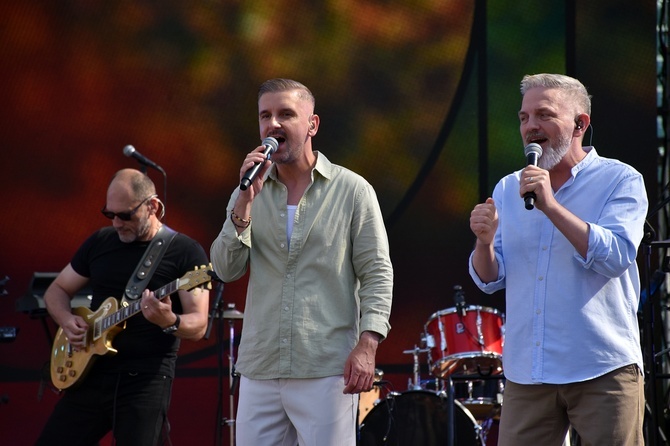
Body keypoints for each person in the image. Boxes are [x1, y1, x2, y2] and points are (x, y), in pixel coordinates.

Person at [210, 78, 393, 445]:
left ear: (312, 125)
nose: (272, 125)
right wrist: (244, 204)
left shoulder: (352, 190)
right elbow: (224, 268)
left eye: (285, 114)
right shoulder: (250, 189)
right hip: (261, 366)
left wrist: (367, 345)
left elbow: (377, 272)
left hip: (325, 366)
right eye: (265, 115)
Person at [468, 73, 648, 445]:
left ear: (580, 124)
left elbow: (615, 256)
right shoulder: (508, 187)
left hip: (601, 367)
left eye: (544, 115)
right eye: (523, 118)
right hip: (528, 374)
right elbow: (490, 278)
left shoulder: (620, 180)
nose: (531, 126)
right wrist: (483, 245)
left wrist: (550, 206)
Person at [36, 168, 210, 446]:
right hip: (91, 373)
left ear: (153, 206)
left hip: (144, 382)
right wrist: (67, 320)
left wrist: (169, 320)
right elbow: (56, 290)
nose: (117, 223)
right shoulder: (100, 241)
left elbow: (199, 325)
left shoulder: (186, 253)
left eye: (125, 215)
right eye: (110, 214)